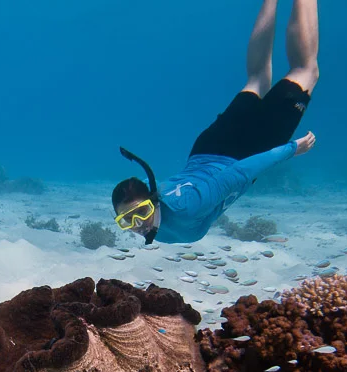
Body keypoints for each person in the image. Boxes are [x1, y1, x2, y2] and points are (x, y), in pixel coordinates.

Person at [112, 0, 319, 245]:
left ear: (153, 201)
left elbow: (240, 172)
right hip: (205, 149)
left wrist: (291, 149)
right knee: (256, 81)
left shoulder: (189, 207)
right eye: (127, 220)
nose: (138, 226)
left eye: (141, 213)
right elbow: (145, 182)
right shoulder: (150, 194)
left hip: (242, 155)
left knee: (305, 71)